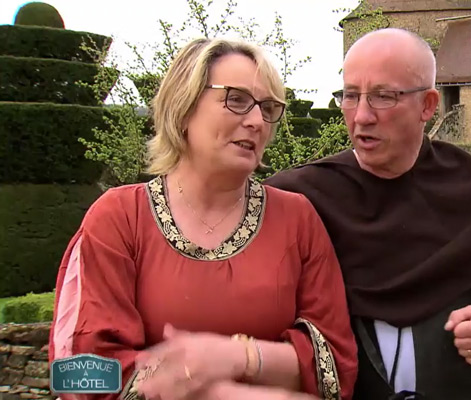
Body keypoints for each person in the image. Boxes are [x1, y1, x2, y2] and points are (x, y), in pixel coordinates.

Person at [264, 28, 471, 400]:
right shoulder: (301, 196)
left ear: (428, 105)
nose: (362, 116)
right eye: (350, 95)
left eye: (383, 97)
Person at [48, 38, 357, 400]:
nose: (257, 121)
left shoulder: (297, 219)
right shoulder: (118, 218)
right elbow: (82, 373)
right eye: (236, 99)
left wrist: (236, 357)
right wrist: (228, 393)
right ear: (184, 106)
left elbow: (336, 366)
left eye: (268, 107)